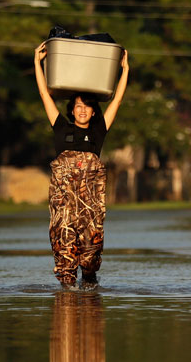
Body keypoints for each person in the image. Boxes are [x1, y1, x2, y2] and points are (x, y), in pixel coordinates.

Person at [34, 41, 129, 288]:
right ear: (72, 110)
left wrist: (124, 70)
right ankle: (66, 292)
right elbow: (45, 94)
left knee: (90, 248)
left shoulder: (98, 131)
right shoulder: (61, 127)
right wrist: (38, 63)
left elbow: (117, 101)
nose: (82, 110)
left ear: (94, 111)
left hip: (91, 204)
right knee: (63, 243)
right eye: (78, 106)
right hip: (63, 201)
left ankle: (89, 279)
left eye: (87, 106)